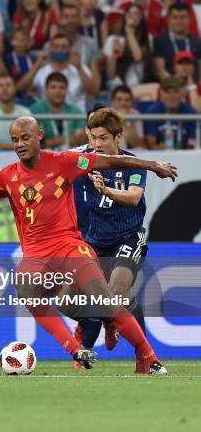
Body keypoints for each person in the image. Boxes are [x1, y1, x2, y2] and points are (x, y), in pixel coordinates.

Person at [0, 116, 177, 374]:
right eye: (14, 140)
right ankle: (76, 348)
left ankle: (148, 356)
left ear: (39, 136)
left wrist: (153, 165)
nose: (19, 144)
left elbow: (112, 160)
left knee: (104, 297)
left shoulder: (65, 162)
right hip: (36, 254)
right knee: (27, 289)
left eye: (25, 137)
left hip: (70, 245)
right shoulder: (7, 176)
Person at [73, 108, 150, 371]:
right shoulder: (81, 160)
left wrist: (106, 190)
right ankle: (106, 322)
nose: (97, 144)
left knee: (118, 290)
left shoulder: (133, 164)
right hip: (93, 242)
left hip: (128, 236)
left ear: (118, 137)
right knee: (72, 296)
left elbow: (134, 197)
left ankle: (144, 355)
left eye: (103, 138)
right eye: (93, 137)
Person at [22, 34, 98, 112]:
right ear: (50, 49)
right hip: (45, 116)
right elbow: (23, 90)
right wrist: (36, 67)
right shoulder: (40, 69)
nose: (60, 50)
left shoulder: (81, 68)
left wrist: (79, 68)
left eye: (64, 47)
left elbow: (93, 92)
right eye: (56, 46)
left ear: (70, 49)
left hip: (75, 117)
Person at [29, 72, 87, 149]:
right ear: (46, 89)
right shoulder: (34, 110)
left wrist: (50, 142)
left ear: (67, 90)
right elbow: (33, 143)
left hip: (71, 156)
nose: (58, 91)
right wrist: (64, 140)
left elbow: (81, 140)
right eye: (53, 87)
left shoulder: (76, 111)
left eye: (62, 88)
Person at [144, 76, 197, 149]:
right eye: (168, 92)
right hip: (159, 157)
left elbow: (193, 142)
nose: (172, 96)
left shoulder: (191, 113)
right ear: (161, 93)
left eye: (175, 92)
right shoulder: (152, 112)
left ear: (182, 93)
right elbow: (151, 144)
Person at [152, 1, 201, 81]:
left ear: (190, 19)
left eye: (183, 17)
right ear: (168, 19)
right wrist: (176, 85)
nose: (179, 21)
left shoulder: (197, 43)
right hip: (169, 88)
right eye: (175, 17)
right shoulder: (159, 41)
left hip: (193, 87)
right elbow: (159, 71)